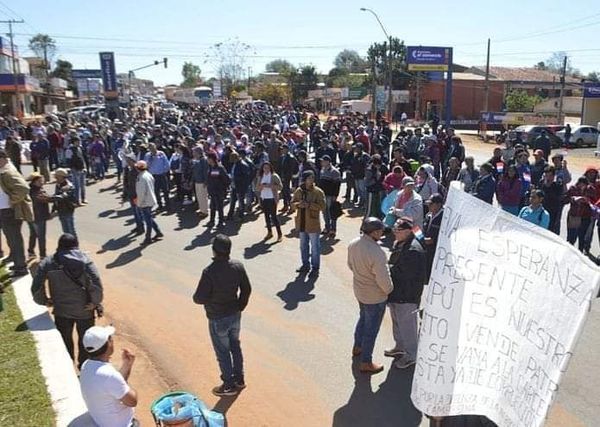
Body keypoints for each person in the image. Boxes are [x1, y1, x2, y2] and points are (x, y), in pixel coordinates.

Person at [31, 233, 103, 368]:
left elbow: (36, 287)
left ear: (59, 246)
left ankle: (68, 366)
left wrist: (45, 300)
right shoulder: (85, 260)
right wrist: (95, 302)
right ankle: (84, 367)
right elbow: (96, 283)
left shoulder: (49, 262)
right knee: (86, 342)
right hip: (85, 310)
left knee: (65, 340)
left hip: (61, 310)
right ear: (76, 245)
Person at [193, 234, 252, 396]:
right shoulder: (237, 266)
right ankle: (239, 380)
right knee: (235, 346)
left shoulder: (209, 272)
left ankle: (228, 385)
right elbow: (246, 289)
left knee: (223, 352)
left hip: (218, 318)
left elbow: (198, 298)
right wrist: (240, 306)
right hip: (234, 315)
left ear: (214, 251)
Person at [347, 217, 393, 374]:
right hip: (375, 296)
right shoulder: (377, 252)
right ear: (374, 232)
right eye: (380, 230)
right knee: (371, 330)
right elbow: (384, 281)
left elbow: (350, 265)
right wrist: (389, 290)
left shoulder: (353, 244)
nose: (382, 233)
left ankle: (357, 346)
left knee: (363, 319)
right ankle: (366, 362)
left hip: (360, 291)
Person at [386, 217, 426, 369]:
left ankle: (411, 355)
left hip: (407, 295)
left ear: (408, 231)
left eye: (398, 230)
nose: (395, 232)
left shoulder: (413, 250)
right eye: (395, 229)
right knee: (397, 323)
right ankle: (399, 347)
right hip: (397, 293)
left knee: (408, 326)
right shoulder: (401, 243)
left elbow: (405, 274)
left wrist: (387, 269)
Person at [79, 325, 139, 427]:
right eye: (110, 338)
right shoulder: (109, 376)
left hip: (102, 421)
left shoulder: (86, 365)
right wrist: (128, 386)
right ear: (108, 344)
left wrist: (127, 365)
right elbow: (133, 401)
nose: (112, 341)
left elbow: (115, 384)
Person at [0, 149, 32, 277]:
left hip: (9, 211)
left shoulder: (8, 171)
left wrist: (11, 201)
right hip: (5, 210)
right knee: (11, 238)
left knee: (15, 239)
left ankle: (21, 267)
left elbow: (23, 188)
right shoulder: (4, 170)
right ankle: (15, 259)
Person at [291, 170, 326, 276]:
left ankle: (315, 268)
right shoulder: (299, 191)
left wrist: (309, 205)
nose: (311, 180)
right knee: (303, 245)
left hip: (312, 223)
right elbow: (292, 203)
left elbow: (322, 206)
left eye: (312, 178)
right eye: (309, 178)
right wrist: (298, 205)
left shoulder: (318, 192)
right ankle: (305, 265)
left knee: (315, 247)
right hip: (301, 222)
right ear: (304, 179)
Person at [134, 160, 164, 245]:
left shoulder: (141, 178)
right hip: (150, 199)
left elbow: (141, 192)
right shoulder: (148, 174)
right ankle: (158, 232)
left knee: (147, 220)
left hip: (145, 201)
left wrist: (139, 203)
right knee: (149, 217)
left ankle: (148, 238)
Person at [27, 172, 51, 259]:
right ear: (34, 181)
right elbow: (45, 199)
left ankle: (31, 251)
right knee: (41, 236)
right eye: (40, 180)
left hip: (31, 216)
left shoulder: (32, 189)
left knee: (33, 234)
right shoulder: (35, 191)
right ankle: (43, 255)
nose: (42, 181)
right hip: (38, 217)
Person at [258, 162, 283, 241]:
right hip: (264, 198)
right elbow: (257, 188)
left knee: (274, 216)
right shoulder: (261, 176)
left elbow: (280, 187)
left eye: (268, 168)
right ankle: (269, 232)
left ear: (270, 168)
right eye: (264, 168)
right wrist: (261, 187)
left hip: (272, 198)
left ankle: (279, 234)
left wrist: (270, 186)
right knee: (266, 216)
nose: (266, 169)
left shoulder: (274, 176)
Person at [318, 155, 342, 238]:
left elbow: (337, 185)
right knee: (324, 212)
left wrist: (335, 196)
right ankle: (327, 227)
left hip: (330, 195)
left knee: (332, 213)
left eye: (323, 161)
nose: (321, 162)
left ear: (328, 162)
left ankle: (333, 229)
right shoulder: (322, 170)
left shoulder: (335, 172)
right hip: (323, 195)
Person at [206, 152, 230, 228]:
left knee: (219, 207)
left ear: (212, 159)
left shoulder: (220, 168)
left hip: (219, 191)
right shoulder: (210, 167)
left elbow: (226, 179)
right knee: (212, 207)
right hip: (212, 191)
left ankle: (221, 222)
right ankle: (212, 221)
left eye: (208, 158)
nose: (207, 160)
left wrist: (223, 188)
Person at [52, 168, 78, 239]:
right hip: (61, 210)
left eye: (56, 176)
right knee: (65, 231)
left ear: (61, 176)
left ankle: (75, 247)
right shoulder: (58, 184)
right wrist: (53, 210)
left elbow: (62, 197)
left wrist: (49, 198)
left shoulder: (69, 186)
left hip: (67, 210)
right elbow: (56, 198)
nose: (55, 177)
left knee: (71, 231)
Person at [227, 151, 253, 221]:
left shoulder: (243, 165)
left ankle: (241, 216)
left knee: (241, 202)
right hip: (234, 186)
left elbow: (246, 178)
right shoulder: (235, 164)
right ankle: (230, 215)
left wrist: (236, 179)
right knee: (232, 201)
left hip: (240, 187)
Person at [423, 194, 444, 280]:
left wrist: (418, 239)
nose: (428, 206)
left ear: (438, 205)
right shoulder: (428, 215)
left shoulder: (443, 217)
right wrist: (414, 229)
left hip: (435, 252)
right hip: (425, 250)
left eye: (431, 204)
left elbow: (431, 240)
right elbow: (421, 230)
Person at [539, 166, 565, 235]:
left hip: (553, 211)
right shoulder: (542, 182)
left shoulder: (558, 184)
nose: (548, 178)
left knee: (550, 230)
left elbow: (557, 197)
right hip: (542, 209)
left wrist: (548, 186)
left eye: (550, 176)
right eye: (546, 175)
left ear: (553, 176)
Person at [144, 142, 171, 211]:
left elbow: (167, 163)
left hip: (161, 174)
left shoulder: (161, 153)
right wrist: (151, 159)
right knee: (156, 191)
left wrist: (165, 171)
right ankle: (160, 205)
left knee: (165, 190)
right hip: (153, 176)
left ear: (155, 147)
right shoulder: (147, 155)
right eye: (150, 148)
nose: (152, 149)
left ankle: (167, 204)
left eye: (153, 147)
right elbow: (146, 165)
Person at [123, 154, 144, 235]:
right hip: (131, 193)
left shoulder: (137, 169)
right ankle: (138, 225)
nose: (127, 162)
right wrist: (125, 193)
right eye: (126, 160)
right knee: (135, 212)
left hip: (137, 194)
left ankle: (141, 227)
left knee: (138, 212)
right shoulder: (128, 169)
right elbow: (126, 182)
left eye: (129, 160)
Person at [65, 136, 87, 205]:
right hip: (75, 169)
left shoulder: (79, 148)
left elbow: (82, 158)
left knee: (82, 185)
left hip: (81, 168)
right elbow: (68, 161)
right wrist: (72, 168)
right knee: (77, 186)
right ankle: (77, 201)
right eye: (77, 141)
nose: (79, 142)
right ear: (74, 142)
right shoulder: (69, 150)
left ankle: (83, 198)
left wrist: (84, 167)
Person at [191, 147, 209, 217]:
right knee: (199, 196)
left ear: (198, 152)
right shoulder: (196, 160)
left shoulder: (203, 160)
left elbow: (205, 171)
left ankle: (205, 211)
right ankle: (201, 209)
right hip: (197, 181)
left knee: (203, 197)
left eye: (194, 152)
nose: (193, 153)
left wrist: (205, 181)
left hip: (202, 182)